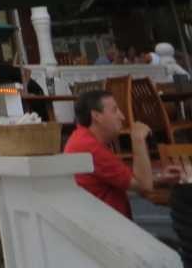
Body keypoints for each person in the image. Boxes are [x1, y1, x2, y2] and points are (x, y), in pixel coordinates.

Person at [64, 89, 178, 218]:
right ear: (96, 116)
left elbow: (129, 180)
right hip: (108, 225)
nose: (122, 116)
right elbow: (144, 186)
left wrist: (159, 178)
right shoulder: (90, 148)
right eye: (115, 110)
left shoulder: (81, 139)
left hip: (99, 220)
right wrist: (138, 139)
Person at [0, 52, 48, 120]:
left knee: (41, 118)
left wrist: (25, 91)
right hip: (19, 103)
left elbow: (27, 71)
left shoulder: (4, 69)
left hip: (35, 93)